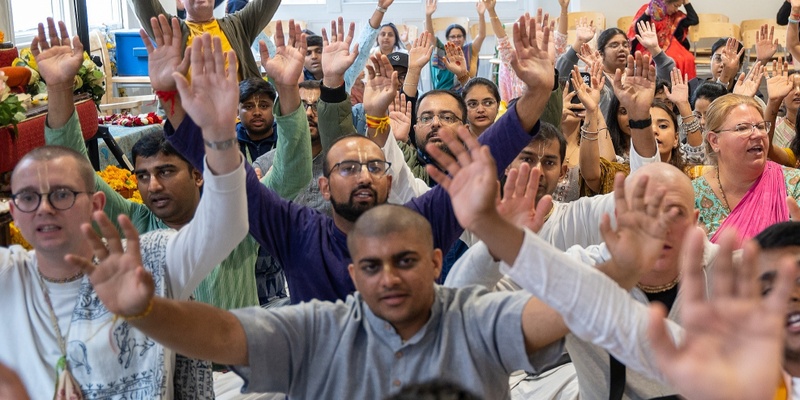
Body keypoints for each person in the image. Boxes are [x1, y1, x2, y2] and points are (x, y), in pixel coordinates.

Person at [425, 117, 796, 400]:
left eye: (675, 213)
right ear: (619, 216)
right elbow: (462, 313)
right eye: (643, 210)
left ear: (697, 223)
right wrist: (492, 245)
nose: (659, 226)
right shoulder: (583, 268)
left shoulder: (730, 272)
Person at [1, 25, 248, 398]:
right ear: (12, 212)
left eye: (62, 194)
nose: (44, 208)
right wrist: (58, 88)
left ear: (96, 202)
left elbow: (226, 223)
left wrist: (217, 132)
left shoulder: (150, 256)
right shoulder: (10, 275)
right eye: (28, 198)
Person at [44, 16, 312, 310]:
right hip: (159, 356)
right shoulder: (133, 224)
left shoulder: (233, 218)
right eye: (142, 176)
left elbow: (291, 174)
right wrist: (58, 88)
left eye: (166, 171)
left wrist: (287, 89)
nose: (153, 185)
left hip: (233, 354)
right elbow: (71, 176)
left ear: (198, 174)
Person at [693, 93, 800, 248]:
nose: (757, 134)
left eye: (761, 127)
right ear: (714, 141)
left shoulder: (794, 184)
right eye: (742, 128)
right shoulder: (692, 196)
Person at [129, 0, 278, 79]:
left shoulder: (239, 25)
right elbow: (143, 3)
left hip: (239, 129)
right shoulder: (171, 30)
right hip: (189, 128)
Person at [556, 25, 676, 118]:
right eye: (614, 45)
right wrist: (579, 42)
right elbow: (560, 75)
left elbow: (668, 79)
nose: (621, 49)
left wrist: (655, 49)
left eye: (625, 45)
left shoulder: (638, 75)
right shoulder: (593, 77)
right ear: (601, 53)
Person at [423, 0, 486, 91]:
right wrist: (428, 15)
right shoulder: (443, 50)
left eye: (459, 36)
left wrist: (481, 15)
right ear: (447, 39)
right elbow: (430, 36)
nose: (456, 39)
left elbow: (481, 35)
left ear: (464, 38)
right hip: (444, 92)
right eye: (452, 37)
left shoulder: (470, 49)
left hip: (467, 92)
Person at [628, 1, 698, 79]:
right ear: (666, 2)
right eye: (675, 5)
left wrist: (685, 2)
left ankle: (684, 86)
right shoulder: (649, 9)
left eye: (679, 6)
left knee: (689, 58)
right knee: (674, 59)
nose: (676, 9)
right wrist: (647, 13)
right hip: (648, 45)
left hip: (671, 45)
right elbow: (637, 29)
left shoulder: (676, 16)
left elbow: (694, 20)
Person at [236, 77, 278, 162]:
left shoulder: (285, 139)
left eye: (263, 106)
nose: (257, 113)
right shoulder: (228, 142)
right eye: (249, 107)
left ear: (275, 109)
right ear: (237, 112)